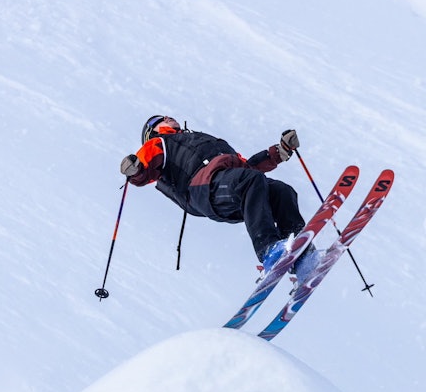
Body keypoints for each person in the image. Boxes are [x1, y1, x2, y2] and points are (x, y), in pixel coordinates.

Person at [119, 115, 319, 277]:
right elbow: (145, 171)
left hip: (228, 181)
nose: (168, 117)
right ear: (152, 131)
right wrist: (135, 170)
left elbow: (247, 168)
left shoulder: (201, 139)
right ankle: (269, 250)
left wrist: (280, 151)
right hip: (203, 186)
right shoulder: (159, 142)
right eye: (160, 119)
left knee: (282, 191)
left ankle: (300, 252)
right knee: (251, 181)